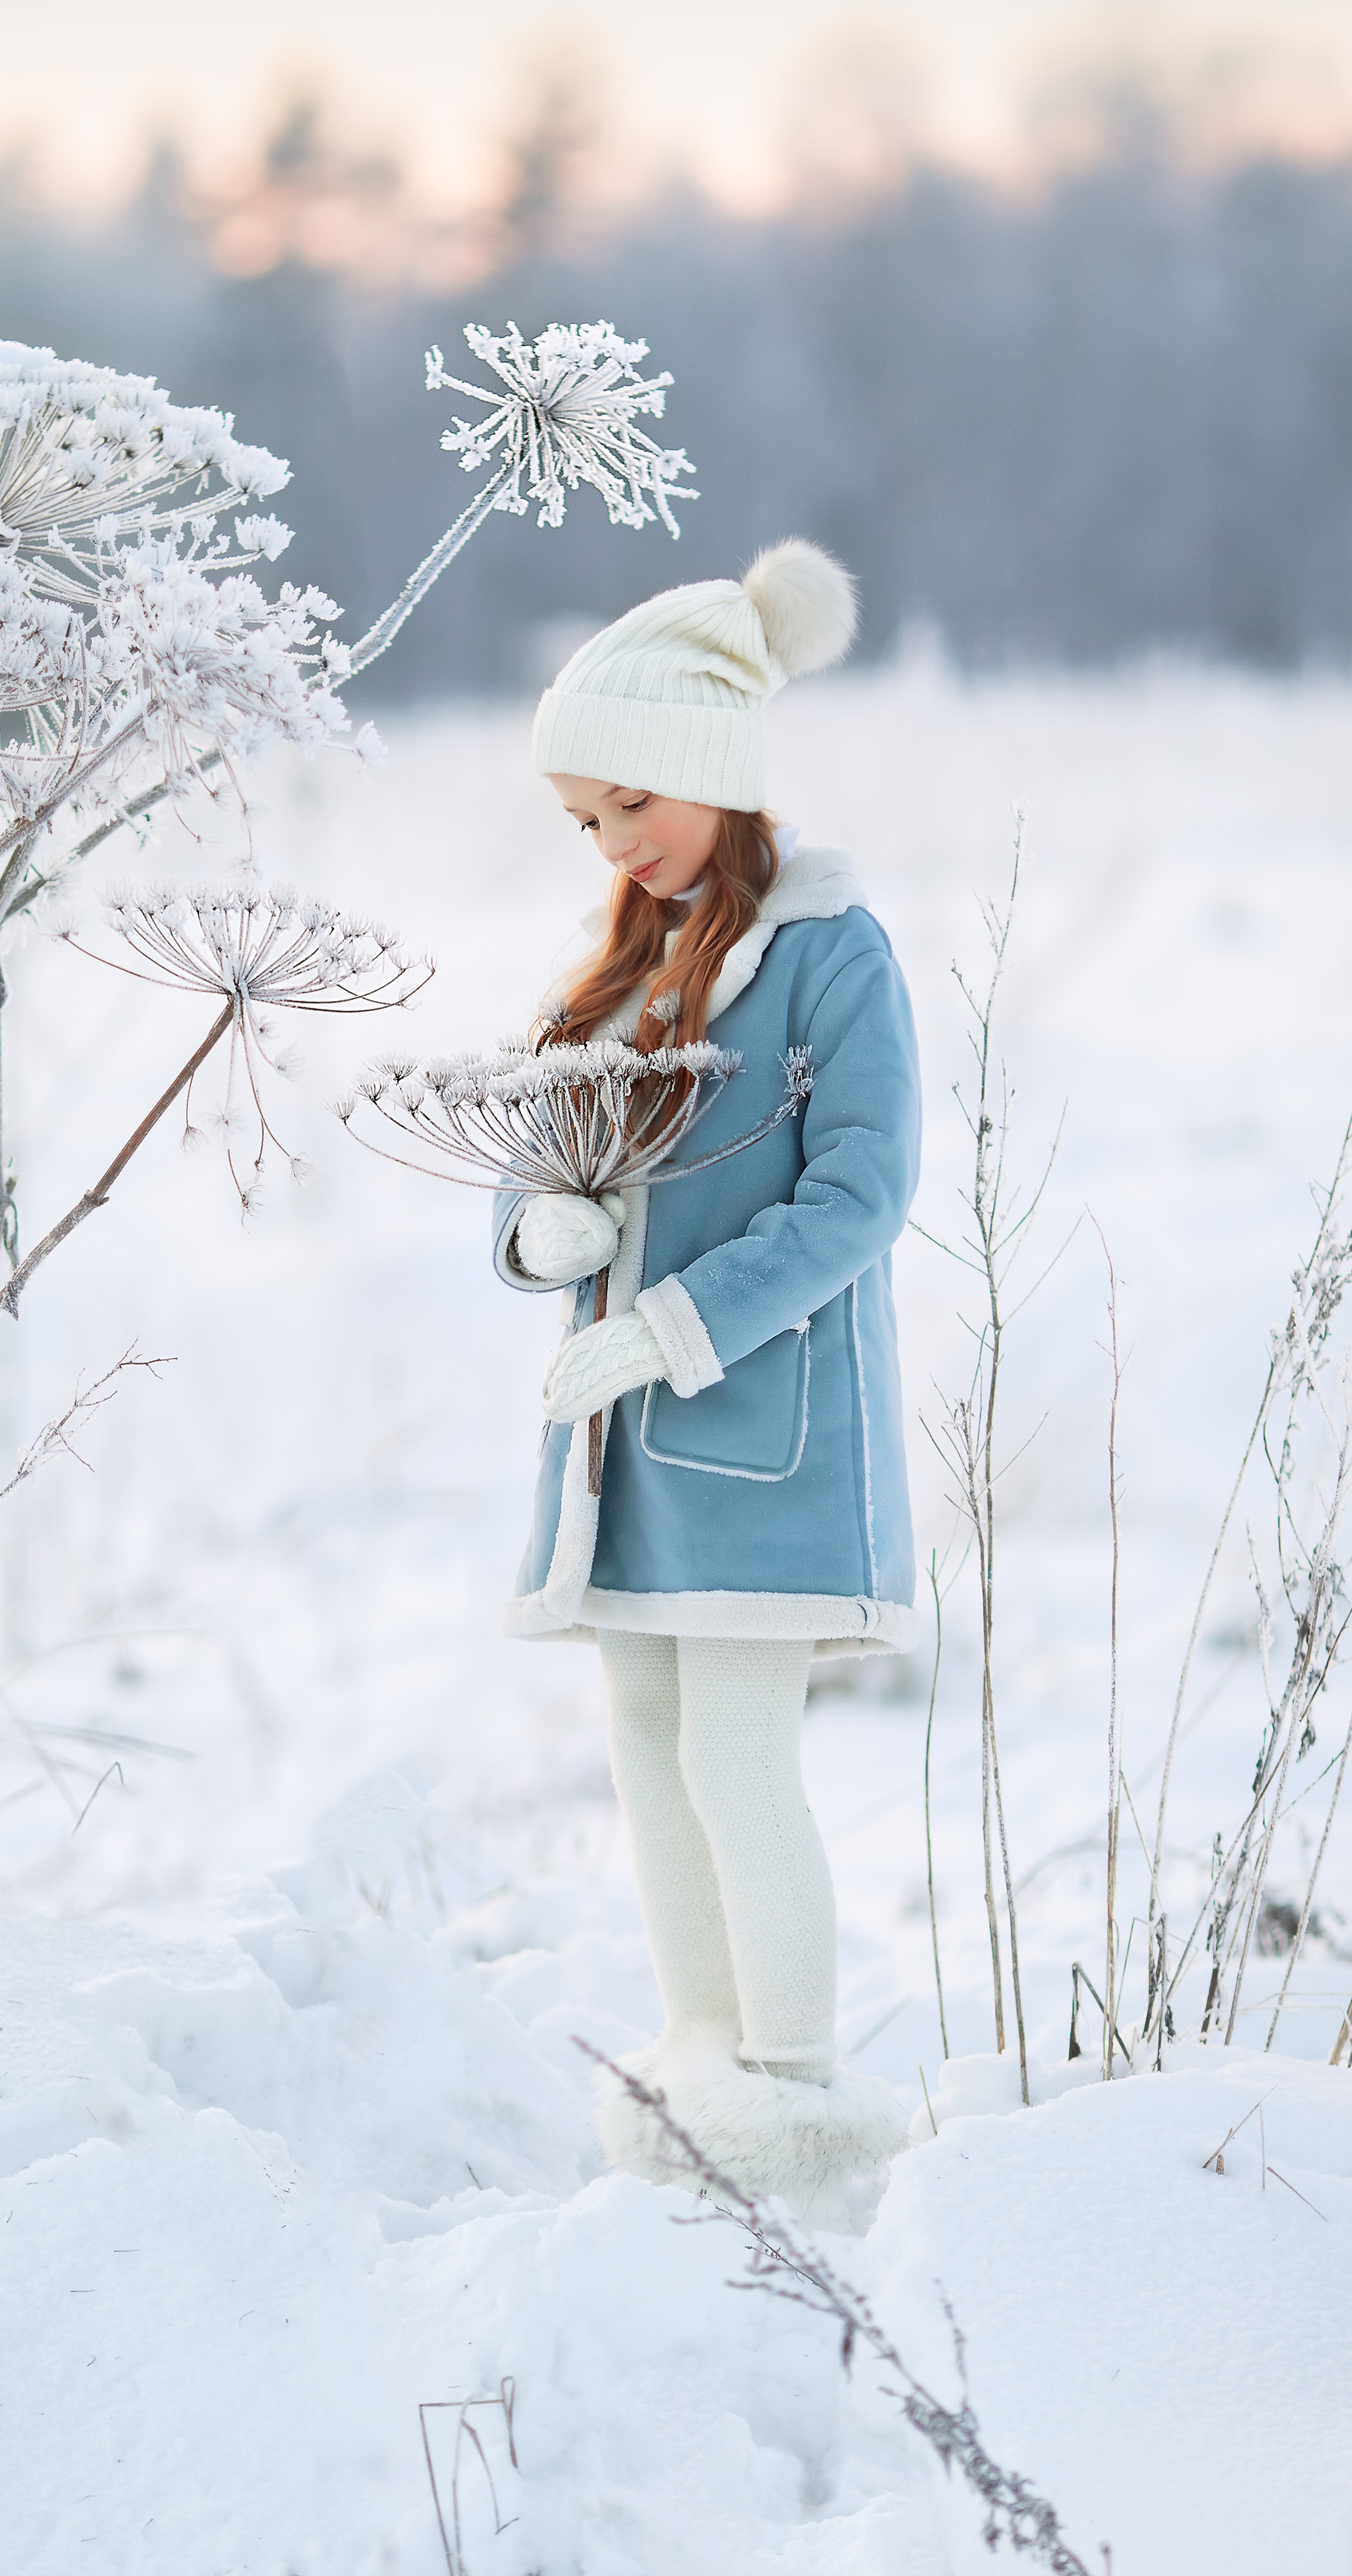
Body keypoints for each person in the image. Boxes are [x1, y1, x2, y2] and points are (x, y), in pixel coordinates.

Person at [495, 539, 919, 2223]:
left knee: (738, 1756)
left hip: (760, 1433)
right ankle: (698, 2061)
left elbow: (858, 1198)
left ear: (712, 774)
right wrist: (540, 1238)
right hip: (624, 1447)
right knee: (647, 1740)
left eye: (629, 804)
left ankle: (796, 2100)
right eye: (585, 819)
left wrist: (675, 1324)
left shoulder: (833, 953)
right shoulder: (615, 966)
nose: (611, 843)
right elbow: (533, 1167)